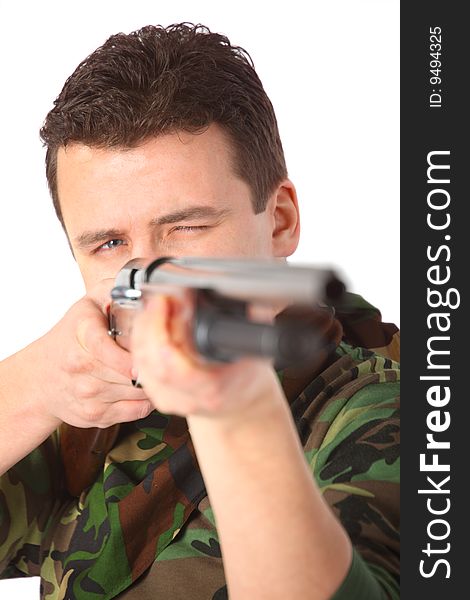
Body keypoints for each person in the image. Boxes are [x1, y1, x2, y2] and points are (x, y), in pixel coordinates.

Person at [0, 23, 399, 599]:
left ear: (280, 220)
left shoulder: (389, 409)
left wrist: (232, 402)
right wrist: (35, 384)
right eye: (108, 244)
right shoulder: (91, 411)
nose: (148, 273)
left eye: (186, 227)